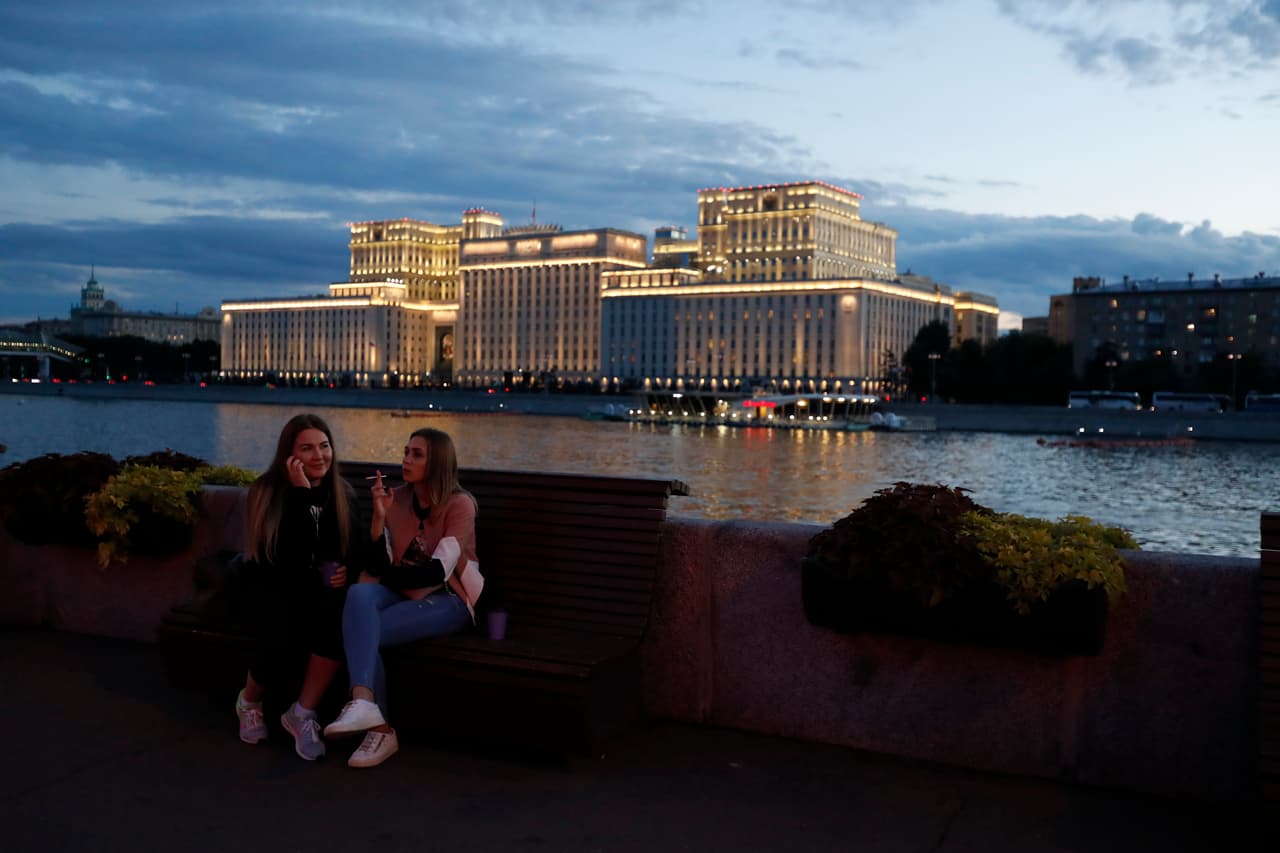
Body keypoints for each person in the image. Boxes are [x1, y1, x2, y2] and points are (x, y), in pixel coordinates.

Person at [323, 427, 484, 768]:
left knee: (365, 630)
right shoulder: (395, 498)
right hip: (400, 593)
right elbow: (375, 564)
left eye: (417, 454)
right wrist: (379, 517)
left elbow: (436, 572)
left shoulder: (460, 505)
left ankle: (378, 728)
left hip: (446, 599)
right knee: (359, 595)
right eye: (406, 452)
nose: (406, 460)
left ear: (437, 462)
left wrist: (385, 575)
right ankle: (367, 707)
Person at [235, 413, 363, 761]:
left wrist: (347, 570)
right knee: (282, 622)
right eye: (307, 449)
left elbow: (350, 549)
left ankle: (302, 713)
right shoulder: (267, 491)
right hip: (272, 583)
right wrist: (301, 495)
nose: (319, 456)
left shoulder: (342, 493)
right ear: (289, 456)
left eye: (324, 446)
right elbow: (283, 557)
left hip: (317, 590)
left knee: (338, 615)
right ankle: (249, 701)